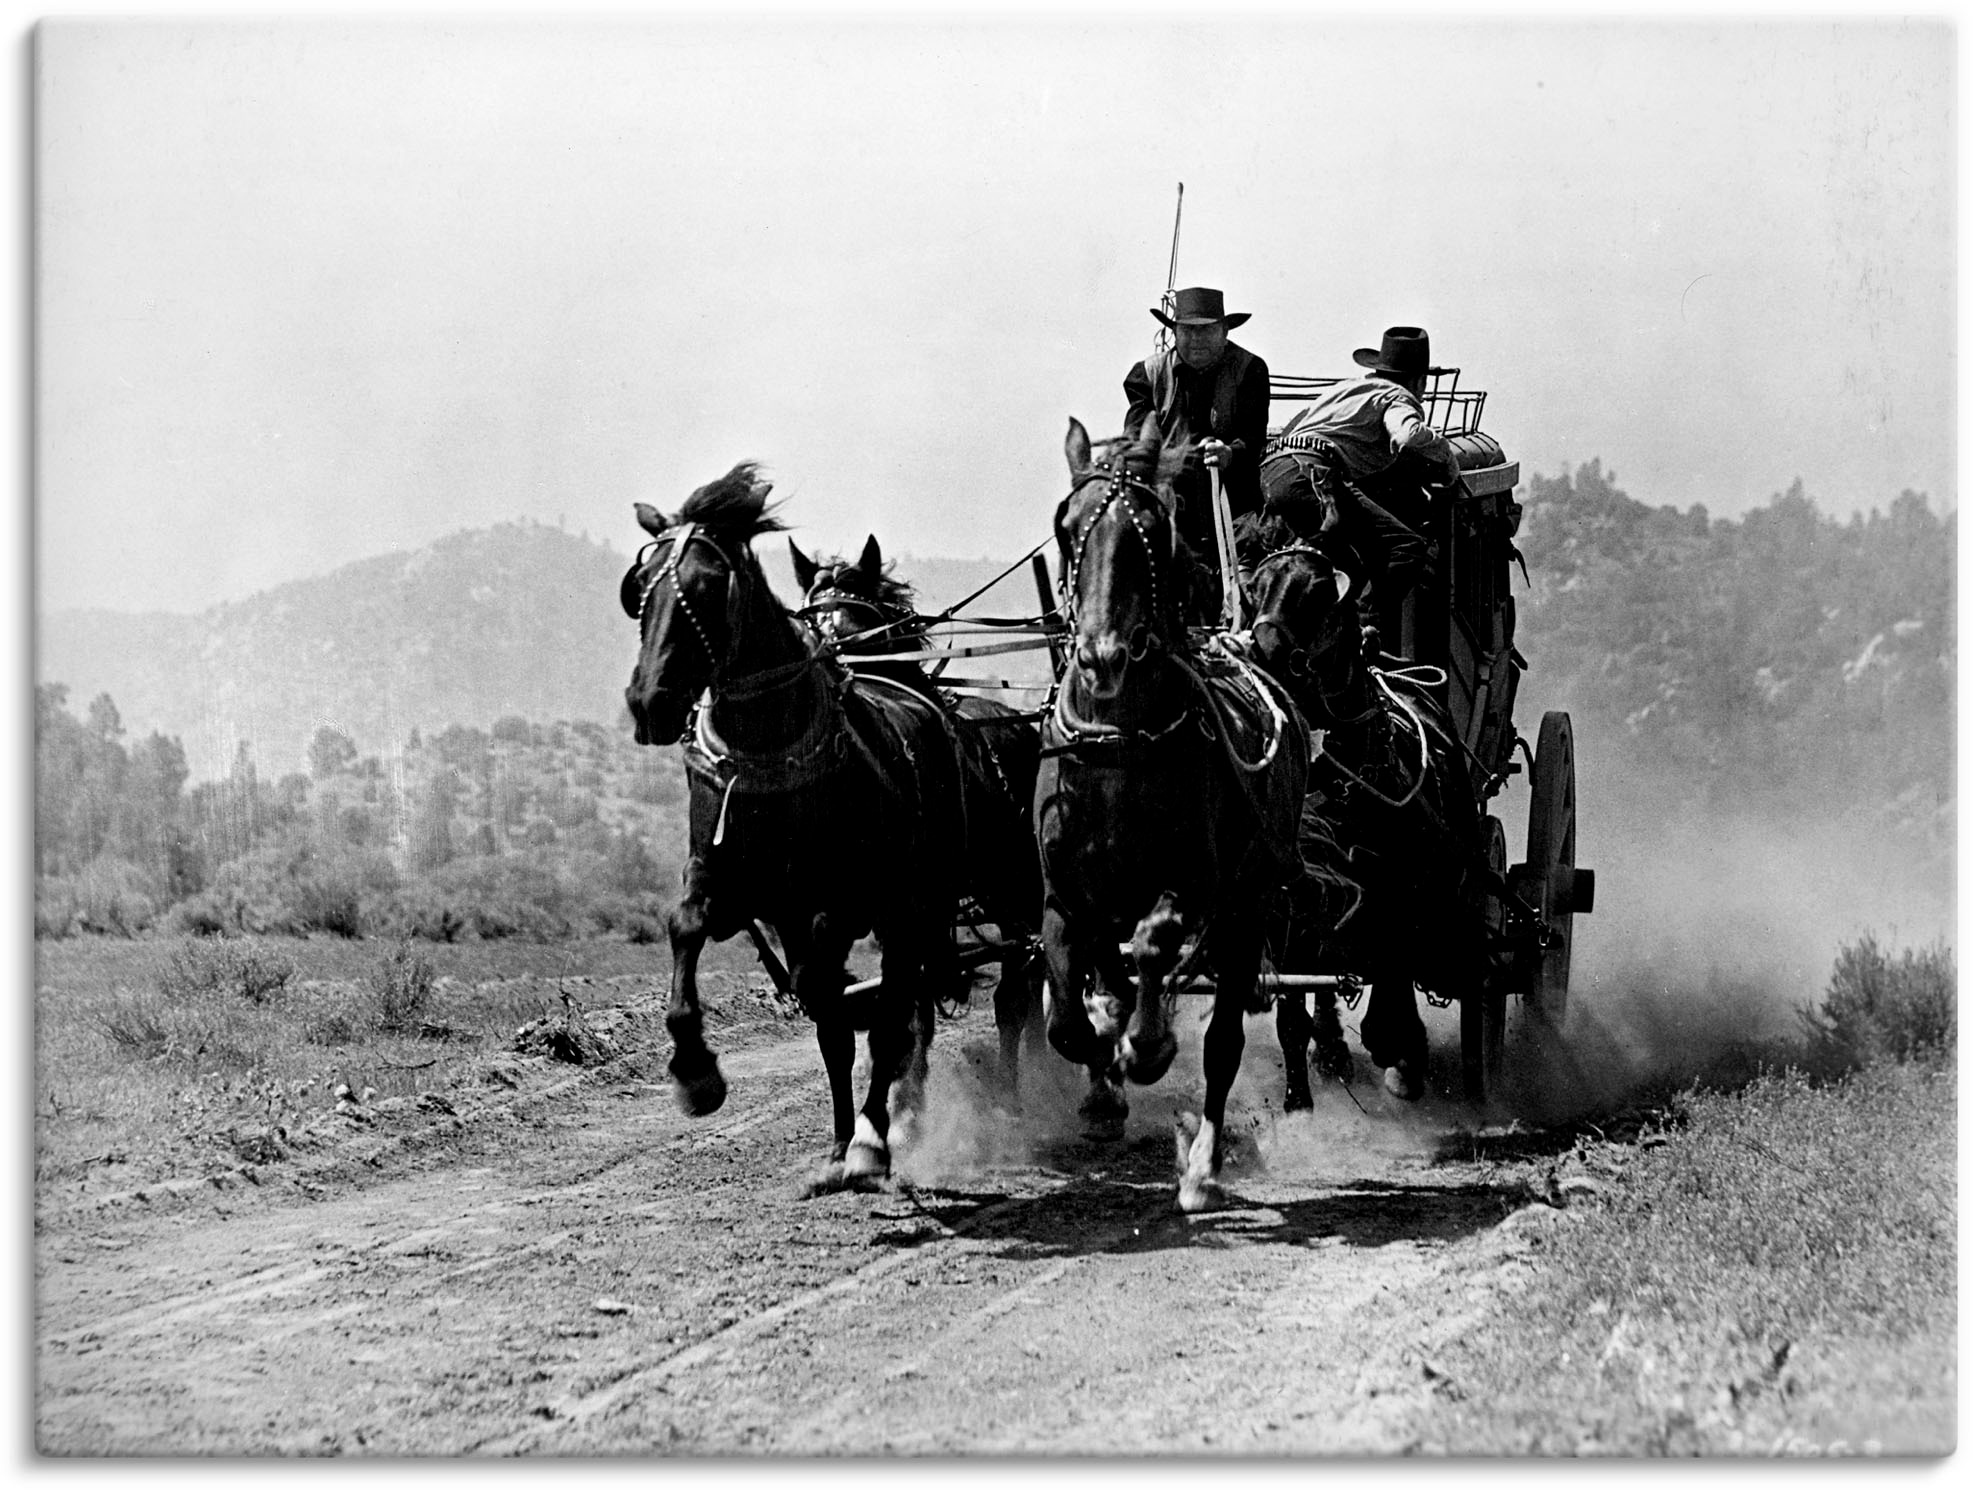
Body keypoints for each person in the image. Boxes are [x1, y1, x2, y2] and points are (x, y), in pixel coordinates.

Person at [1264, 326, 1462, 648]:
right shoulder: (1397, 396)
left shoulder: (1348, 390)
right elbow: (1408, 435)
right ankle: (1363, 632)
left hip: (1275, 470)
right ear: (1420, 381)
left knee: (1346, 561)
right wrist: (1446, 457)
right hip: (1313, 473)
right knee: (1406, 547)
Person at [1123, 286, 1270, 621]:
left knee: (1248, 603)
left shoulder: (1250, 370)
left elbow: (1253, 437)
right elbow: (1137, 440)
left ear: (1225, 331)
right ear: (1174, 332)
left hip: (1234, 505)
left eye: (1207, 330)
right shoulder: (1145, 376)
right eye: (1188, 330)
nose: (1197, 339)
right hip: (1172, 508)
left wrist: (1230, 454)